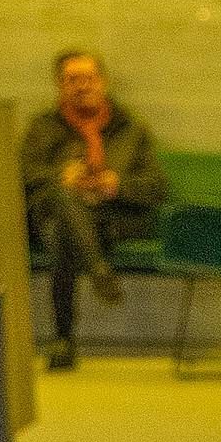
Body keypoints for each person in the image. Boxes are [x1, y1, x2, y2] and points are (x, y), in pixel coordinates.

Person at [20, 50, 165, 372]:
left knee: (65, 234)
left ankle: (64, 339)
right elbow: (24, 174)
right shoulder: (43, 128)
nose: (82, 86)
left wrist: (117, 184)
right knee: (64, 217)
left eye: (89, 78)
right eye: (73, 79)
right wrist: (61, 177)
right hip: (56, 214)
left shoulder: (131, 129)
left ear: (103, 82)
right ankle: (98, 270)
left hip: (112, 218)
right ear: (60, 85)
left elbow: (157, 186)